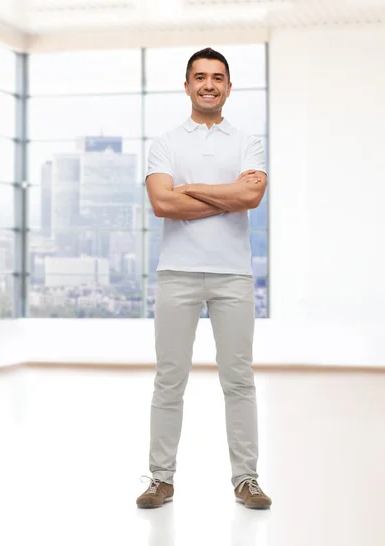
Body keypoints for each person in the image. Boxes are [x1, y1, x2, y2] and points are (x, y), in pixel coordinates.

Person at [136, 47, 271, 510]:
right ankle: (160, 479)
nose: (209, 84)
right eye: (200, 77)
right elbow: (162, 204)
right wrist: (226, 195)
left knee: (239, 380)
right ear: (187, 85)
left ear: (229, 87)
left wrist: (189, 188)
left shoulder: (248, 143)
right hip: (177, 273)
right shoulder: (166, 142)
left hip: (233, 275)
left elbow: (251, 197)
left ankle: (247, 480)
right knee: (169, 379)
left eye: (217, 77)